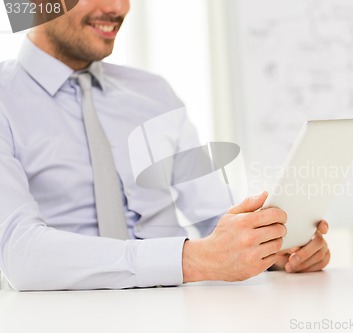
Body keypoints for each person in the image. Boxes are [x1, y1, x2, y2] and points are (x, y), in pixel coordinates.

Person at [0, 0, 330, 291]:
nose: (118, 7)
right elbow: (19, 254)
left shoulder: (153, 93)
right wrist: (192, 260)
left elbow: (214, 218)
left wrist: (268, 247)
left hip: (178, 311)